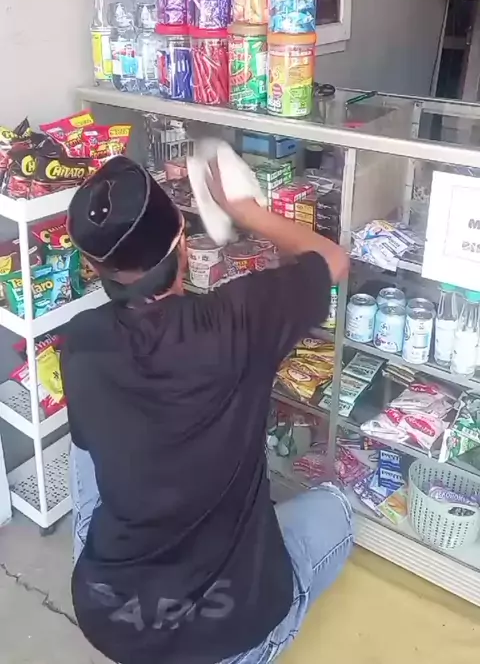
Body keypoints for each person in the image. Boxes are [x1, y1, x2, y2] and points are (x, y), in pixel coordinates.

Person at [63, 154, 352, 664]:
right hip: (232, 637)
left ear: (93, 267)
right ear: (182, 237)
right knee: (338, 508)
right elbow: (331, 259)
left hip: (113, 613)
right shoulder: (236, 318)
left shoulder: (81, 341)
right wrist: (246, 211)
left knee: (83, 446)